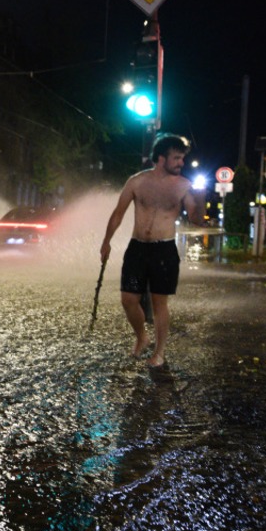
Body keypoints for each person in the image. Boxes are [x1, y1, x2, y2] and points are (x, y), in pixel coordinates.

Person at [100, 133, 204, 368]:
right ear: (161, 158)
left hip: (164, 250)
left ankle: (159, 352)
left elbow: (197, 218)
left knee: (159, 303)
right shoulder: (137, 181)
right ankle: (142, 337)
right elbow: (118, 214)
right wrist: (106, 242)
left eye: (182, 159)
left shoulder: (184, 186)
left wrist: (201, 199)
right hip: (137, 248)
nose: (181, 163)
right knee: (128, 300)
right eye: (176, 158)